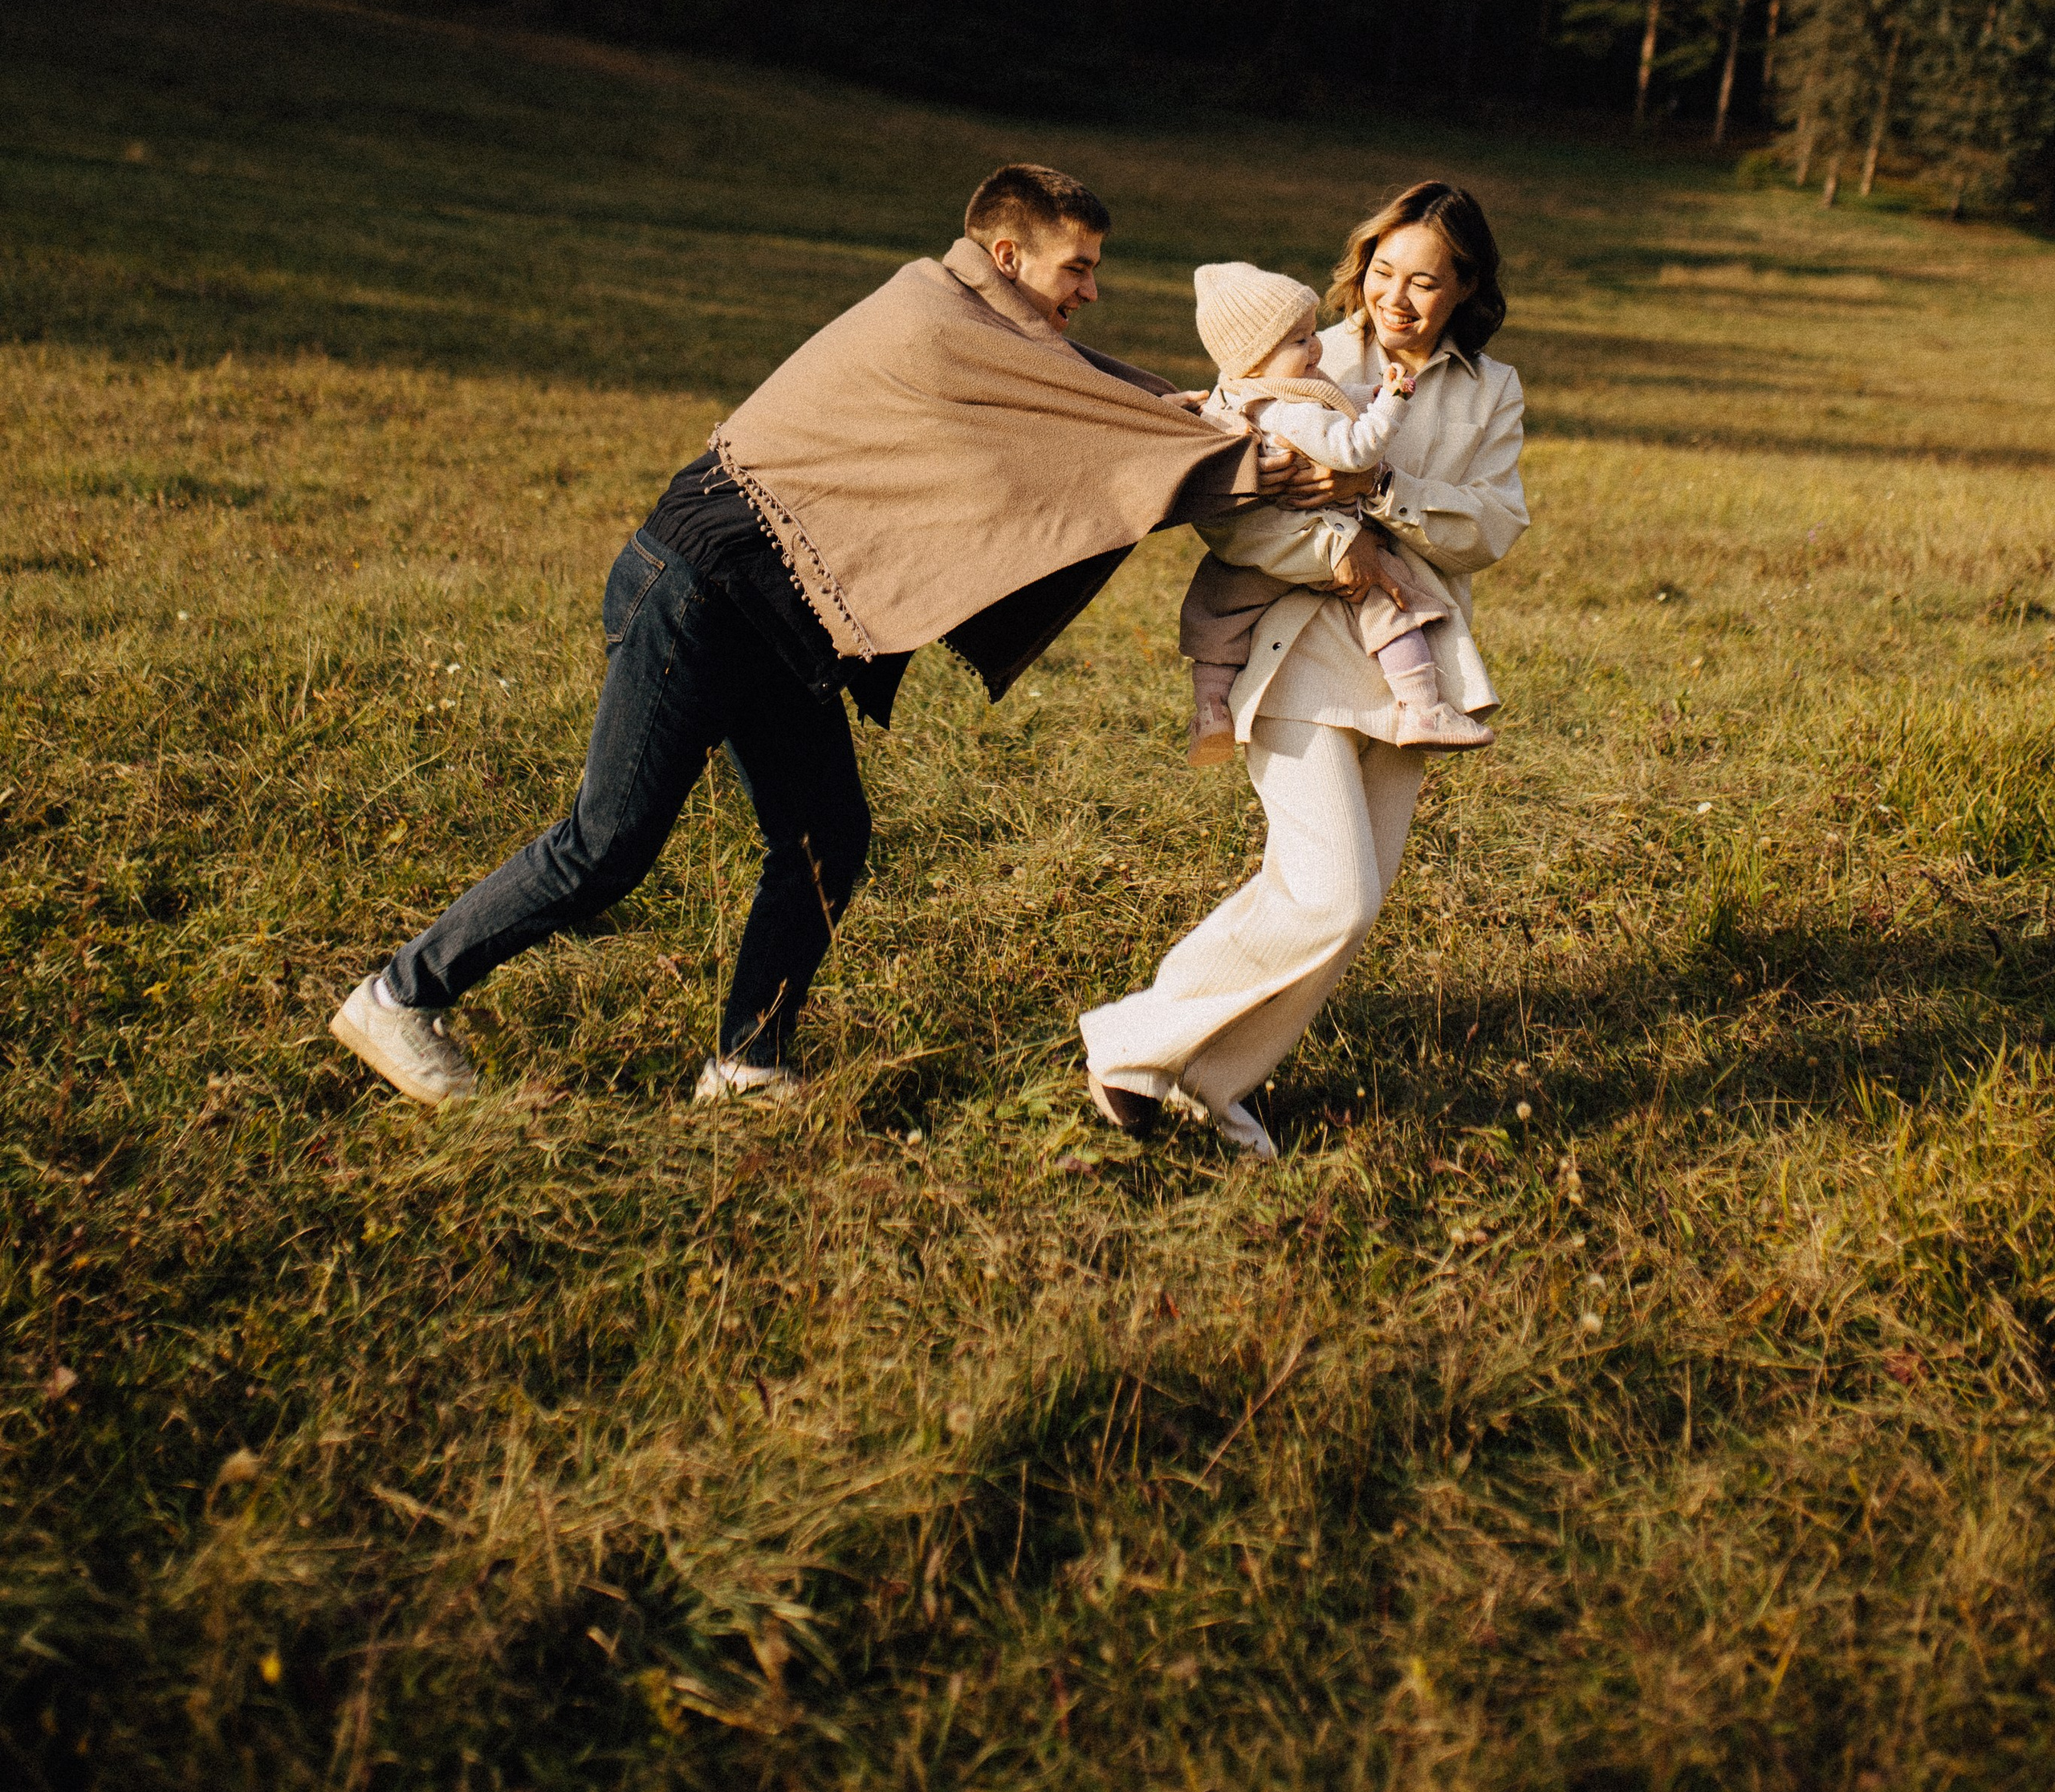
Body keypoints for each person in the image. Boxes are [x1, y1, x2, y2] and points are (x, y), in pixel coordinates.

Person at [329, 163, 1305, 1110]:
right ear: (1007, 255)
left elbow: (1094, 404)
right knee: (606, 848)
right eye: (1076, 269)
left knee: (822, 839)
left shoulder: (984, 323)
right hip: (700, 595)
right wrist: (1257, 458)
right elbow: (1089, 442)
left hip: (777, 618)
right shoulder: (938, 319)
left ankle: (749, 1062)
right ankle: (398, 998)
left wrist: (1203, 429)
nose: (1090, 291)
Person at [1079, 180, 1527, 1161]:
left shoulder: (1492, 391)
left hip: (1411, 669)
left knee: (1333, 904)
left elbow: (1491, 527)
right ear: (1357, 267)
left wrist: (1386, 493)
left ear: (1465, 288)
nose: (1395, 299)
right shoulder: (1301, 354)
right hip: (1291, 658)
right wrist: (1334, 553)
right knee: (1335, 895)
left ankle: (1214, 1082)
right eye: (1380, 273)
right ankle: (1127, 1043)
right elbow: (1225, 513)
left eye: (1424, 282)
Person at [1178, 258, 1492, 764]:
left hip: (1252, 552)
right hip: (1319, 538)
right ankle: (1421, 705)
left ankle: (1211, 709)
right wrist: (1392, 399)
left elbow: (1332, 394)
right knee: (1390, 601)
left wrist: (1364, 393)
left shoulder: (1236, 396)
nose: (1316, 347)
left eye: (1311, 333)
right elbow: (1355, 451)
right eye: (1299, 341)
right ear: (1255, 355)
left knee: (1219, 613)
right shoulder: (1288, 412)